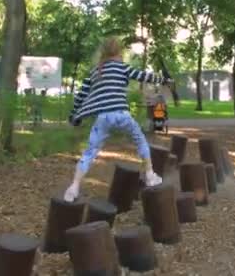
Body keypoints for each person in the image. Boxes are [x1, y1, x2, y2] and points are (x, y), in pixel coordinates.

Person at [63, 37, 172, 202]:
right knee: (140, 141)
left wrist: (73, 115)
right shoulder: (122, 68)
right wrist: (163, 80)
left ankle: (74, 187)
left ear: (103, 52)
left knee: (90, 152)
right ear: (119, 51)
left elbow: (81, 96)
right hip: (122, 115)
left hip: (103, 118)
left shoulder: (94, 71)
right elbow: (143, 76)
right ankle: (150, 175)